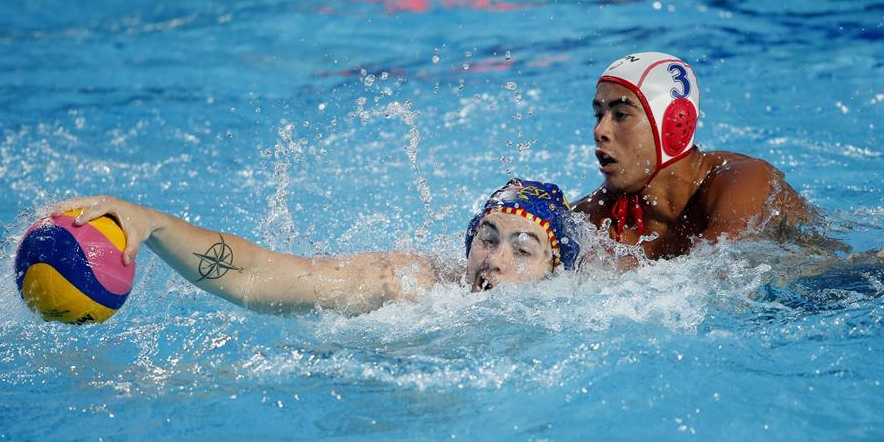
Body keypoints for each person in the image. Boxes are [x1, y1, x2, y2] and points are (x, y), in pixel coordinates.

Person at [49, 179, 581, 315]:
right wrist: (155, 224)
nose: (494, 258)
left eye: (523, 249)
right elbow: (257, 275)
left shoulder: (585, 316)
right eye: (487, 238)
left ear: (555, 272)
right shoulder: (409, 283)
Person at [573, 51, 812, 259]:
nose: (599, 131)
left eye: (621, 114)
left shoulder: (744, 181)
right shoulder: (600, 216)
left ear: (673, 123)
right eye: (598, 115)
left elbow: (718, 270)